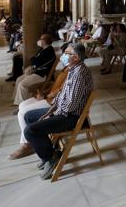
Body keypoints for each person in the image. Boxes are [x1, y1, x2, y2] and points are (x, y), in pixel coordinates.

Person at [24, 43, 93, 180]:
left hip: (69, 117)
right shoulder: (73, 68)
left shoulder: (79, 74)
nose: (64, 56)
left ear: (77, 57)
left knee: (30, 131)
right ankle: (49, 151)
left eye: (67, 53)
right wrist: (51, 109)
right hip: (62, 111)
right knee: (29, 116)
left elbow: (71, 105)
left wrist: (53, 113)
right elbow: (63, 95)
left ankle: (51, 157)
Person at [8, 50, 70, 160]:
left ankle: (28, 144)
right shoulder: (66, 68)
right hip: (50, 97)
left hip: (54, 102)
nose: (64, 56)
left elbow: (62, 89)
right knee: (22, 105)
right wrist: (44, 92)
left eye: (67, 53)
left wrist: (47, 95)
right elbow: (55, 86)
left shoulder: (73, 72)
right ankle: (30, 140)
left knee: (23, 113)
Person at [13, 34, 57, 105]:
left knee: (22, 84)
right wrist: (33, 62)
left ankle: (21, 104)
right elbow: (34, 60)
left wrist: (33, 63)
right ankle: (18, 101)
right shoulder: (43, 49)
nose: (39, 40)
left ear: (45, 41)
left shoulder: (49, 51)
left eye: (41, 39)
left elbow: (36, 62)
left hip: (41, 75)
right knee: (18, 80)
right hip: (36, 73)